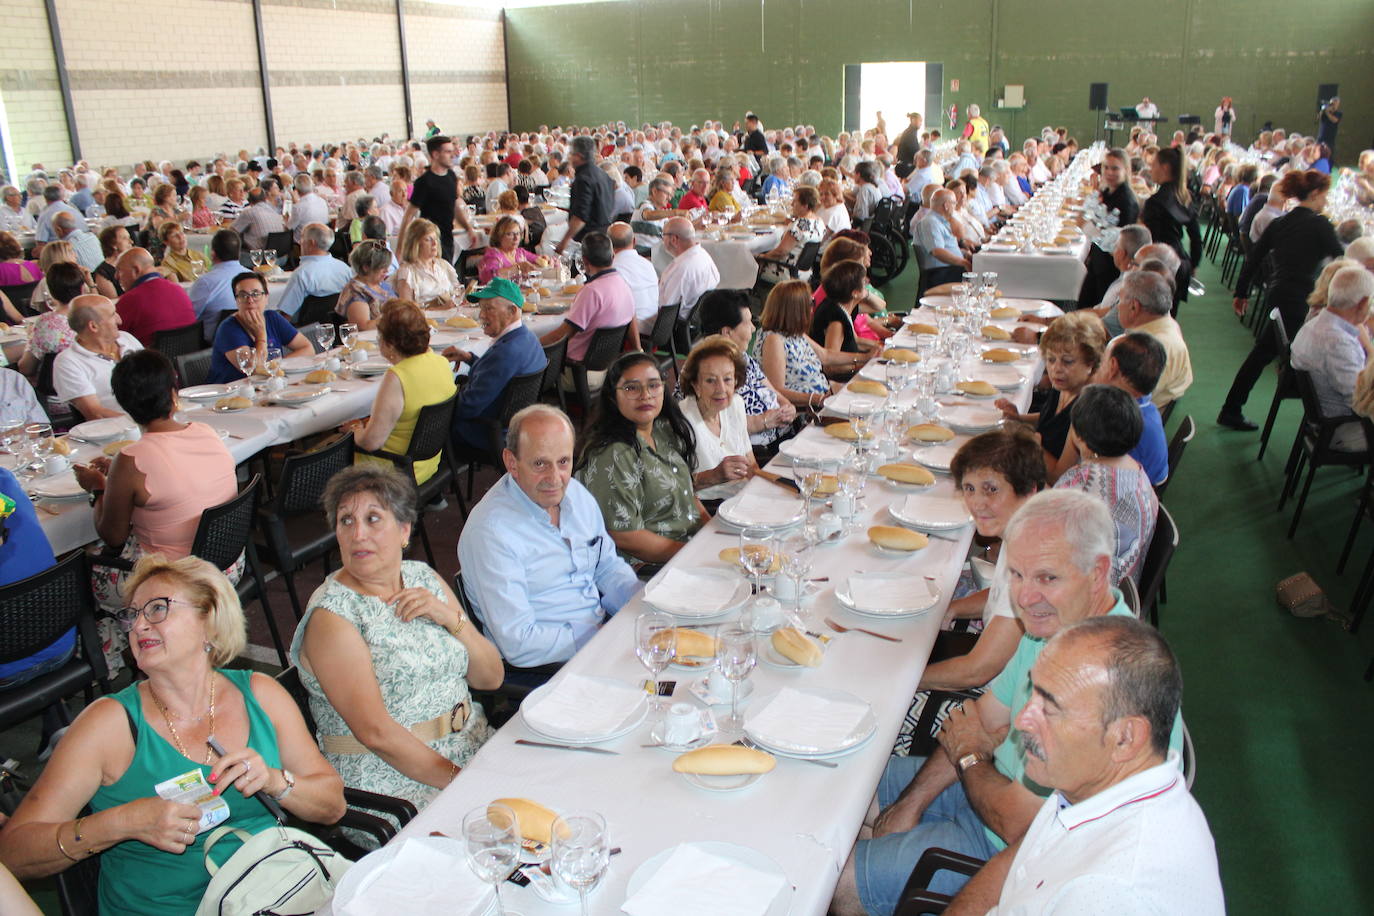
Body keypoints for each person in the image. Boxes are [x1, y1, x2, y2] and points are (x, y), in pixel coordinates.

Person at [831, 489, 1176, 916]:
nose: (1025, 598)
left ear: (1097, 573)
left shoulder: (1108, 683)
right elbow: (979, 719)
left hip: (1013, 851)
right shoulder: (1048, 628)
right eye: (1016, 574)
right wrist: (911, 804)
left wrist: (970, 755)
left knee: (838, 880)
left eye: (1047, 578)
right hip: (986, 790)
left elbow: (1015, 824)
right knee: (846, 789)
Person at [0, 553, 346, 916]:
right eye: (132, 615)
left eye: (157, 609)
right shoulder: (108, 725)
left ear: (209, 622)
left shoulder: (260, 694)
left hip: (276, 894)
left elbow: (332, 805)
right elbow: (14, 852)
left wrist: (275, 781)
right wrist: (123, 822)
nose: (138, 626)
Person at [946, 616, 1223, 915]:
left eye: (1050, 708)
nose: (1022, 721)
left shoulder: (1108, 892)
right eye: (1032, 692)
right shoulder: (1093, 787)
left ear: (1125, 737)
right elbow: (1018, 864)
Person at [288, 464, 502, 807]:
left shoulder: (421, 577)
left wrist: (450, 618)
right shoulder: (333, 616)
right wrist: (464, 783)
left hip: (471, 745)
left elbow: (491, 677)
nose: (358, 534)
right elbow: (377, 734)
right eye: (346, 521)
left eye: (373, 519)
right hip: (395, 782)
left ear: (404, 530)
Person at [459, 405, 640, 671]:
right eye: (540, 464)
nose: (555, 478)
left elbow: (607, 567)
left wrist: (641, 603)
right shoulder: (491, 533)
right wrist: (601, 637)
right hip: (549, 668)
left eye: (563, 462)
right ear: (511, 462)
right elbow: (518, 643)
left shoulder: (576, 495)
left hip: (600, 639)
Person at [74, 349, 239, 614]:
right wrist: (117, 474)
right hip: (227, 564)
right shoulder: (205, 431)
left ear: (124, 405)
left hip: (177, 582)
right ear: (173, 393)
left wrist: (97, 487)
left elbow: (113, 536)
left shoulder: (131, 459)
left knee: (82, 569)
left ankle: (115, 635)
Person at [911, 427, 1046, 694]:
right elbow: (1000, 593)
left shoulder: (1034, 563)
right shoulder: (1026, 530)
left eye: (991, 489)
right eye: (969, 489)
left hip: (1007, 699)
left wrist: (902, 685)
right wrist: (954, 608)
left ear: (1028, 491)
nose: (977, 503)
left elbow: (977, 671)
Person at [1220, 170, 1345, 430]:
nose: (1326, 201)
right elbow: (1343, 260)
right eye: (1325, 195)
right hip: (1298, 298)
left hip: (1277, 293)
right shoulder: (1320, 224)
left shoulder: (1280, 222)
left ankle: (1236, 407)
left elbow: (1253, 259)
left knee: (1267, 352)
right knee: (1268, 354)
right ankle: (1235, 408)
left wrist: (1241, 293)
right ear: (1314, 194)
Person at [576, 352, 707, 564]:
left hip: (689, 548)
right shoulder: (613, 455)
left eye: (653, 385)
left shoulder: (663, 429)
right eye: (631, 388)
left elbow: (688, 495)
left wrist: (712, 533)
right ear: (613, 396)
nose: (645, 395)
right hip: (648, 568)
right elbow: (626, 537)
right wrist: (696, 555)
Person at [342, 299, 457, 484]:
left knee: (333, 447)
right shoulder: (441, 363)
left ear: (389, 343)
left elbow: (371, 443)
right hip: (428, 464)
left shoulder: (397, 377)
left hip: (394, 473)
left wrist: (355, 429)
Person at [1054, 384, 1159, 584]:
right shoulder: (1137, 471)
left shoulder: (1080, 482)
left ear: (1079, 436)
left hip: (1092, 591)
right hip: (1125, 586)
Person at [996, 310, 1107, 480]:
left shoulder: (1088, 409)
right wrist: (1019, 418)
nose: (1056, 369)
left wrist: (1028, 440)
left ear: (1090, 363)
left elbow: (1059, 477)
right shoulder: (1066, 384)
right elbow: (1051, 420)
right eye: (1051, 359)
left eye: (1067, 361)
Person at [444, 278, 547, 450]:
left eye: (488, 308)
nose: (481, 315)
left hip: (484, 433)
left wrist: (438, 396)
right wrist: (470, 358)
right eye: (481, 308)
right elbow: (498, 374)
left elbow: (466, 408)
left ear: (512, 311)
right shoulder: (528, 338)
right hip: (514, 426)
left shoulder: (505, 353)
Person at [1289, 266, 1374, 451]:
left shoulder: (1315, 324)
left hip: (1328, 422)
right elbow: (1360, 403)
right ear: (1363, 303)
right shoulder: (1338, 343)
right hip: (1343, 431)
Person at [696, 289, 795, 447]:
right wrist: (764, 421)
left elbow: (774, 392)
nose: (753, 329)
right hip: (754, 450)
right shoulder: (705, 370)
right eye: (748, 323)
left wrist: (787, 407)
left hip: (783, 435)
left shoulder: (741, 356)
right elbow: (715, 425)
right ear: (727, 332)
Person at [678, 335, 760, 496]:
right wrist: (714, 476)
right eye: (710, 380)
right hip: (707, 506)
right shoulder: (682, 420)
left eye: (727, 379)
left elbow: (751, 463)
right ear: (696, 385)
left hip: (743, 499)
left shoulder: (736, 404)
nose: (721, 389)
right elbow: (673, 486)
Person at [540, 231, 637, 366]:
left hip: (577, 366)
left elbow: (561, 335)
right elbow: (632, 318)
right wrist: (639, 350)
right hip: (609, 362)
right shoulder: (624, 284)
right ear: (613, 256)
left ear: (585, 261)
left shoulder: (591, 292)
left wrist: (534, 343)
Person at [1093, 332, 1170, 487]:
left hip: (1129, 489)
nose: (1097, 369)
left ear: (1113, 367)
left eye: (1101, 363)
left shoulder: (1118, 422)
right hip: (1145, 480)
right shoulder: (1144, 403)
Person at [207, 272, 311, 384]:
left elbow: (308, 348)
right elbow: (254, 370)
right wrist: (261, 335)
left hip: (269, 385)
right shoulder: (228, 329)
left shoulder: (272, 317)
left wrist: (276, 366)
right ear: (236, 301)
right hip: (232, 390)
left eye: (255, 294)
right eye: (243, 295)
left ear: (266, 298)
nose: (250, 300)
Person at [53, 295, 143, 419]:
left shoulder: (127, 339)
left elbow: (159, 379)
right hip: (120, 428)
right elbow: (95, 413)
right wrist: (145, 422)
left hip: (157, 419)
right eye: (113, 315)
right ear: (93, 326)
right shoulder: (68, 362)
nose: (119, 320)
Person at [756, 279, 839, 411]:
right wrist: (817, 399)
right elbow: (776, 390)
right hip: (804, 410)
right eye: (811, 303)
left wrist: (864, 357)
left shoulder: (793, 332)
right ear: (796, 310)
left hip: (821, 398)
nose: (812, 309)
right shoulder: (774, 340)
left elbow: (825, 355)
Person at [1114, 269, 1192, 408]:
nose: (1117, 306)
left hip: (1133, 413)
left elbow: (1122, 398)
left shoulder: (1150, 348)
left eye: (1119, 299)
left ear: (1134, 307)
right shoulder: (1165, 324)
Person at [1077, 149, 1140, 307]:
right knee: (1085, 304)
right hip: (1099, 261)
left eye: (1115, 168)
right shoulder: (1108, 192)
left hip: (1111, 266)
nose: (1109, 172)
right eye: (1106, 167)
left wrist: (1085, 226)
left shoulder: (1125, 200)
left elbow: (1117, 242)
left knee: (1095, 308)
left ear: (1126, 170)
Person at [401, 135, 473, 265]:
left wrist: (468, 228)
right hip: (429, 240)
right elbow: (409, 214)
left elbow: (454, 206)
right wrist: (400, 247)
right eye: (448, 152)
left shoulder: (451, 176)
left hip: (447, 237)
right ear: (435, 154)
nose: (452, 155)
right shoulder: (424, 182)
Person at [111, 247, 196, 347]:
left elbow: (111, 335)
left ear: (136, 270)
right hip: (190, 353)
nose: (116, 276)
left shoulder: (130, 300)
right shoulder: (179, 290)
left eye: (119, 270)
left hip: (150, 355)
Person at [1140, 146, 1201, 282]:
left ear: (1165, 168)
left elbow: (1152, 241)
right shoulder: (1185, 197)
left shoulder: (1155, 202)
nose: (1150, 170)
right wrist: (1193, 264)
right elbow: (1196, 238)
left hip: (1160, 265)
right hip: (1181, 263)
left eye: (1153, 165)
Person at [15, 261, 82, 379]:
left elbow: (26, 368)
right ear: (82, 287)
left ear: (51, 291)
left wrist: (31, 340)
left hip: (54, 386)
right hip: (95, 382)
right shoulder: (97, 316)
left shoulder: (45, 323)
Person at [554, 136, 617, 256]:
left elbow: (580, 217)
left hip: (589, 242)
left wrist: (563, 242)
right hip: (605, 238)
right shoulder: (603, 175)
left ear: (578, 156)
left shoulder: (583, 179)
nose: (569, 157)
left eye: (571, 154)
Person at [811, 260, 877, 366]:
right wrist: (861, 366)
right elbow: (831, 366)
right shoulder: (836, 321)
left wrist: (879, 346)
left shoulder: (840, 305)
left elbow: (878, 307)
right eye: (864, 282)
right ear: (855, 292)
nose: (867, 281)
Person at [757, 185, 825, 284]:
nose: (792, 204)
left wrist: (761, 256)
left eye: (795, 201)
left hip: (785, 271)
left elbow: (780, 252)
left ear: (805, 205)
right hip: (805, 271)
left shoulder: (799, 226)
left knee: (752, 259)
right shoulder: (819, 222)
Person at [658, 217, 720, 322]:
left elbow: (666, 309)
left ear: (674, 239)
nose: (662, 240)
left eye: (663, 235)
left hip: (675, 324)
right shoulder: (703, 254)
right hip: (699, 320)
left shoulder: (681, 269)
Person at [188, 229, 244, 340]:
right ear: (239, 252)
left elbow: (189, 317)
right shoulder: (254, 277)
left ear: (212, 254)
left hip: (213, 344)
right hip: (248, 338)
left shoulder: (205, 282)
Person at [608, 222, 660, 335]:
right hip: (656, 326)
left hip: (633, 332)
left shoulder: (612, 271)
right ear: (634, 241)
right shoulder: (648, 264)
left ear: (609, 245)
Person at [916, 188, 971, 288]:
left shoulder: (939, 221)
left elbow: (947, 247)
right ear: (946, 206)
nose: (955, 206)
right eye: (954, 203)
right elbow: (937, 251)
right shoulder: (930, 222)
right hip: (940, 274)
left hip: (948, 269)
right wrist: (963, 262)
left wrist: (963, 253)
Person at [335, 239, 395, 330]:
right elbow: (363, 327)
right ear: (366, 267)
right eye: (382, 267)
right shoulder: (355, 292)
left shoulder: (381, 283)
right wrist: (395, 317)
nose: (387, 271)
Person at [478, 215, 542, 284]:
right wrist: (517, 268)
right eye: (510, 234)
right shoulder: (493, 255)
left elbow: (537, 259)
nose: (516, 238)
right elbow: (489, 278)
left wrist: (545, 259)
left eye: (518, 233)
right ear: (499, 236)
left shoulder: (520, 253)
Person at [231, 186, 285, 252]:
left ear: (249, 201)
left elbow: (232, 231)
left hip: (258, 255)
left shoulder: (249, 212)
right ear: (265, 198)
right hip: (280, 254)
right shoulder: (274, 211)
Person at [91, 223, 132, 299]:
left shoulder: (132, 261)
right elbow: (113, 302)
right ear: (113, 244)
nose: (131, 242)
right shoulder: (103, 273)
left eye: (129, 237)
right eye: (124, 238)